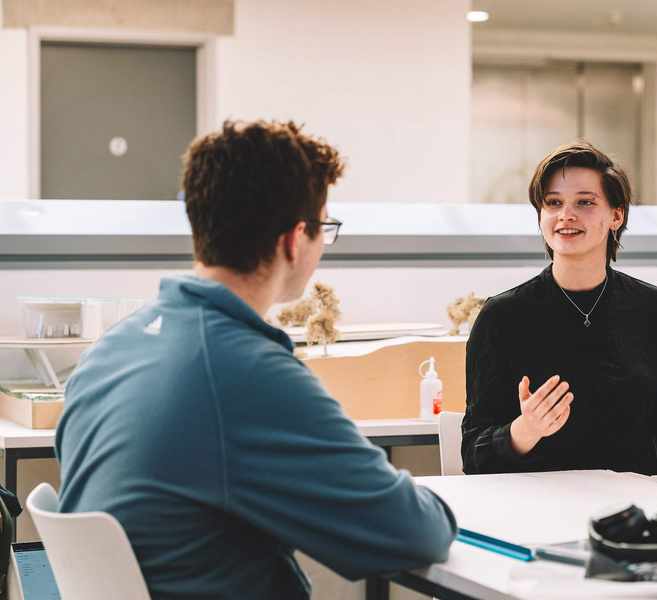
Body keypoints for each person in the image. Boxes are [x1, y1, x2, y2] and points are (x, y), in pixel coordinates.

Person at [56, 120, 457, 599]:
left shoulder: (113, 348)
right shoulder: (244, 371)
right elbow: (416, 533)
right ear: (294, 239)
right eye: (324, 229)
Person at [462, 141, 657, 476]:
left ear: (616, 215)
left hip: (635, 511)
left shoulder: (656, 310)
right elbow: (473, 455)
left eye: (584, 202)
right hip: (536, 508)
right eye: (553, 203)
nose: (566, 215)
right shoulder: (502, 317)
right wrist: (527, 430)